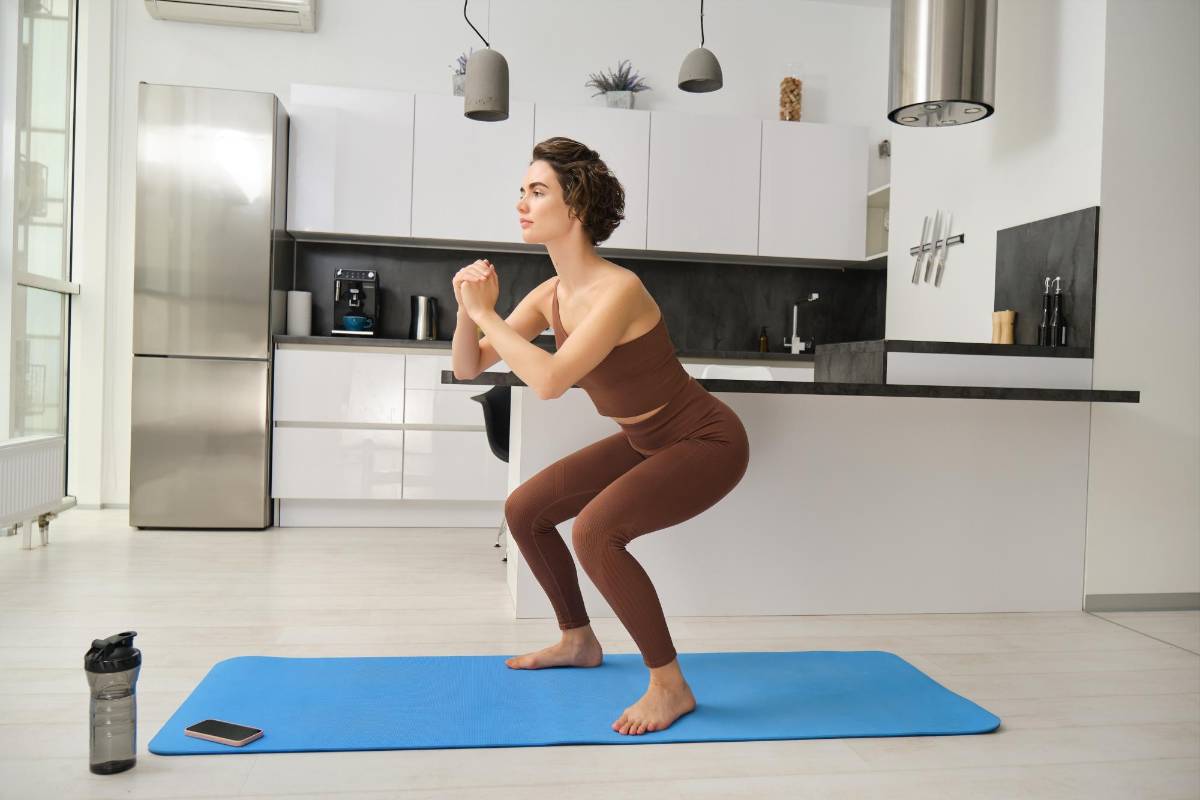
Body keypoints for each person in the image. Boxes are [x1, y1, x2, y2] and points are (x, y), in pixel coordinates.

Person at [450, 137, 750, 735]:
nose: (522, 203)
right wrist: (467, 307)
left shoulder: (620, 290)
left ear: (577, 207)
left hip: (706, 440)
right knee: (525, 509)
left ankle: (670, 685)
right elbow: (468, 366)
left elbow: (551, 380)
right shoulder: (550, 294)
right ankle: (578, 640)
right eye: (522, 191)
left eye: (537, 192)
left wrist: (487, 315)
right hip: (645, 439)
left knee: (595, 533)